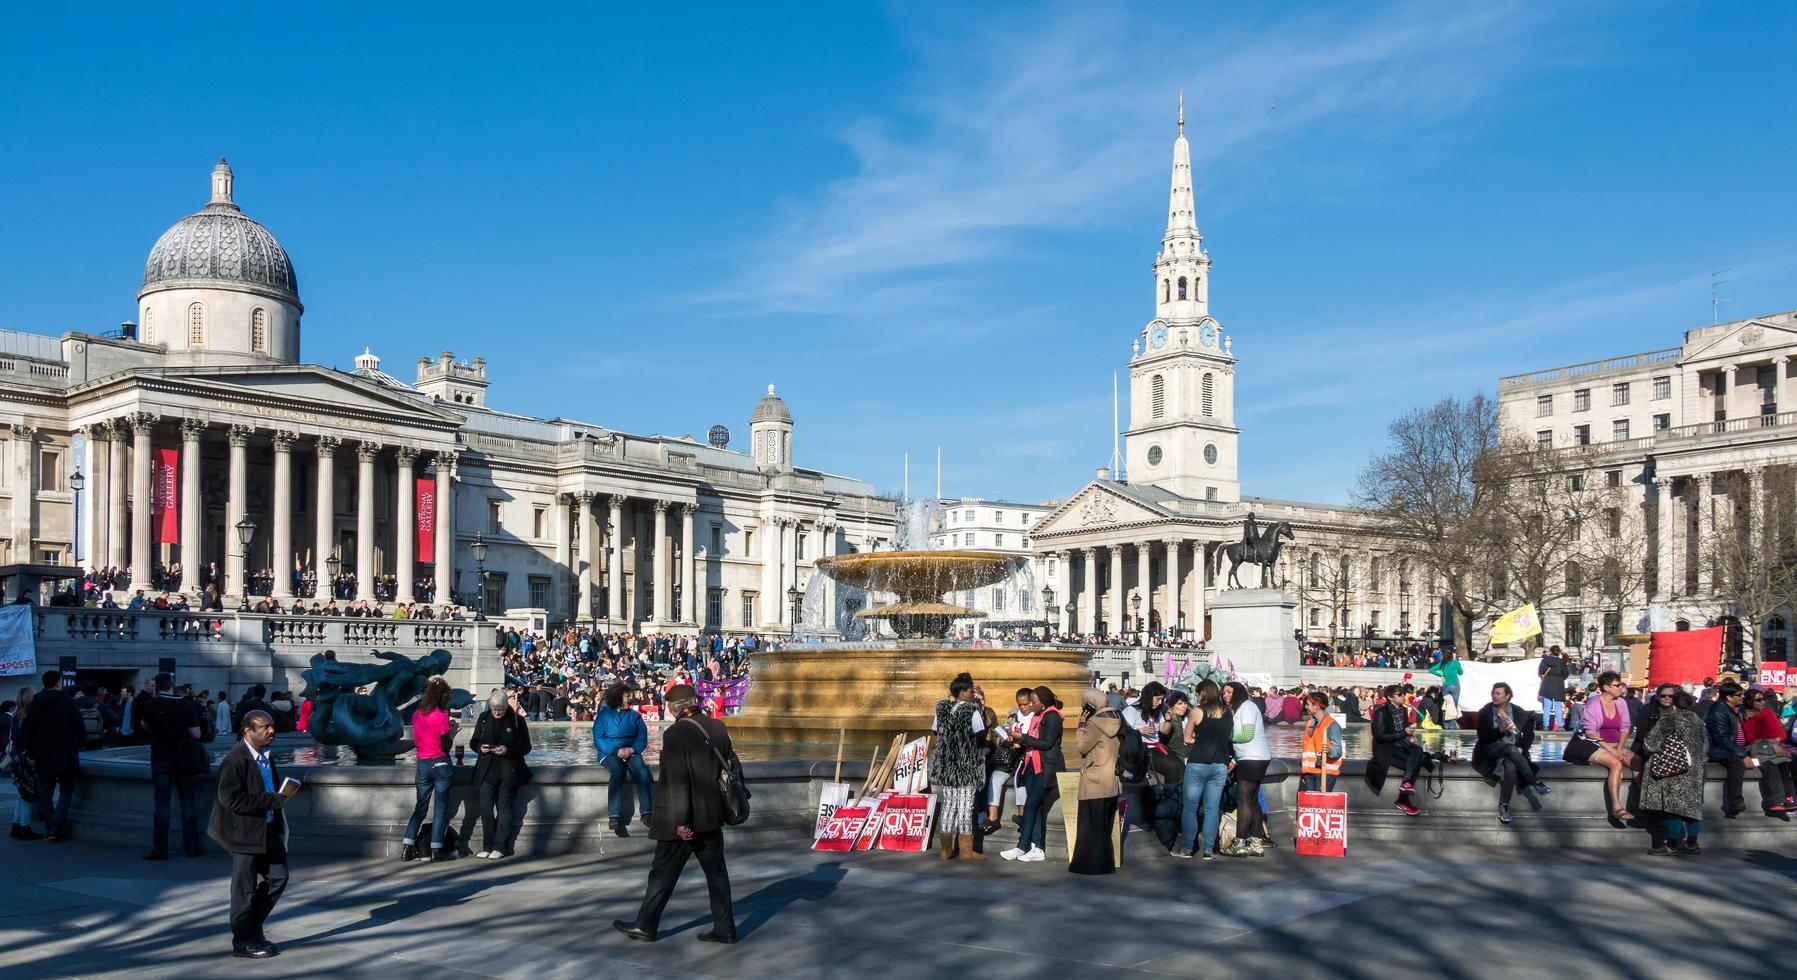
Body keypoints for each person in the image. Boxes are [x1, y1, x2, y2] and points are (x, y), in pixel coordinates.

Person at [613, 684, 736, 944]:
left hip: (682, 820)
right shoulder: (717, 727)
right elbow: (730, 766)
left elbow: (677, 782)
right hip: (711, 816)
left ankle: (645, 925)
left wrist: (681, 821)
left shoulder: (676, 734)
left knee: (662, 873)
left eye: (669, 705)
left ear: (675, 707)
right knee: (717, 875)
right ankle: (725, 928)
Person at [208, 709, 300, 958]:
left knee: (278, 877)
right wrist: (271, 800)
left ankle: (252, 927)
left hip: (267, 827)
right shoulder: (236, 759)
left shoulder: (265, 755)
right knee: (244, 889)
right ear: (248, 731)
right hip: (243, 832)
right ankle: (243, 941)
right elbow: (230, 798)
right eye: (264, 727)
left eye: (271, 726)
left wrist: (280, 798)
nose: (271, 731)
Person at [139, 672, 207, 859]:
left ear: (156, 687)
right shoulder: (186, 704)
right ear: (172, 684)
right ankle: (191, 845)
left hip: (160, 756)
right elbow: (197, 734)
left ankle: (160, 848)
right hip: (183, 757)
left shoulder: (151, 704)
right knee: (187, 801)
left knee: (161, 803)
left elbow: (144, 725)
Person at [1640, 690, 1709, 855]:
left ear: (1674, 704)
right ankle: (1692, 843)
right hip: (1696, 769)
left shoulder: (1669, 719)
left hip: (1674, 769)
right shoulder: (1699, 722)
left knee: (1674, 808)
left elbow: (1650, 744)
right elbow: (1706, 745)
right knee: (1693, 808)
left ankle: (1672, 844)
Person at [928, 673, 986, 861]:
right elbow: (980, 734)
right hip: (967, 766)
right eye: (971, 691)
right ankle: (966, 852)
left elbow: (935, 731)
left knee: (949, 806)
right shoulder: (972, 710)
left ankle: (945, 851)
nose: (973, 694)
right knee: (965, 807)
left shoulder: (943, 709)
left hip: (947, 765)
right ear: (962, 693)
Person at [1473, 682, 1548, 824]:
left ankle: (1504, 805)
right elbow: (1482, 736)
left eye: (1498, 693)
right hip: (1489, 750)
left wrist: (1523, 747)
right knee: (1509, 748)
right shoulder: (1485, 712)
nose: (1494, 696)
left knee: (1510, 765)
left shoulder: (1518, 712)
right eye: (1493, 693)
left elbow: (1529, 735)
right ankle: (1534, 782)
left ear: (1507, 696)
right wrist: (1499, 730)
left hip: (1513, 752)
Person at [1003, 686, 1063, 863]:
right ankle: (1037, 847)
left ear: (1043, 703)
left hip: (1045, 767)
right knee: (1035, 808)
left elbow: (1046, 743)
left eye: (1034, 702)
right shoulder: (1038, 716)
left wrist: (1022, 737)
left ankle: (1022, 846)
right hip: (1031, 765)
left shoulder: (1052, 717)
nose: (1031, 704)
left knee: (1030, 805)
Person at [401, 677, 458, 862]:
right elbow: (445, 746)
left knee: (420, 808)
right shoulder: (442, 715)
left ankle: (407, 846)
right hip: (440, 763)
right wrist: (452, 733)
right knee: (440, 807)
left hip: (422, 763)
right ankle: (436, 849)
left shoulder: (417, 715)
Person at [469, 690, 531, 858]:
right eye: (494, 709)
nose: (497, 712)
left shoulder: (518, 721)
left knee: (504, 808)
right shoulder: (483, 718)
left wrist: (508, 750)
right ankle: (487, 845)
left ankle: (500, 846)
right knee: (485, 808)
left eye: (501, 709)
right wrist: (480, 747)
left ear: (506, 706)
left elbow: (526, 746)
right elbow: (474, 741)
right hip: (487, 770)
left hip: (508, 770)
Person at [23, 670, 83, 842]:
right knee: (66, 790)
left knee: (45, 792)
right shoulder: (67, 701)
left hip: (42, 754)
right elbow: (79, 725)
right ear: (58, 682)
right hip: (65, 752)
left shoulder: (34, 703)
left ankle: (49, 826)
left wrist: (31, 750)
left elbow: (29, 729)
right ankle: (58, 824)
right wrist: (80, 742)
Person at [1174, 680, 1232, 860]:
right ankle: (1208, 850)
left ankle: (1187, 848)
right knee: (1212, 809)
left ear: (1202, 694)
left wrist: (1198, 740)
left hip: (1198, 763)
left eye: (1198, 694)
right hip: (1220, 765)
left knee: (1190, 807)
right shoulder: (1228, 712)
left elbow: (1187, 738)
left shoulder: (1197, 712)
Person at [1068, 688, 1120, 875]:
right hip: (1111, 780)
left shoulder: (1094, 723)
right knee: (1103, 828)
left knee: (1089, 827)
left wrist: (1081, 726)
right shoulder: (1116, 717)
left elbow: (1082, 747)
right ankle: (1106, 863)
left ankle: (1087, 865)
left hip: (1094, 780)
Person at [1575, 671, 1639, 821]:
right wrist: (1613, 751)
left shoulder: (1621, 702)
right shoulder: (1593, 703)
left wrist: (1620, 748)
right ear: (1606, 687)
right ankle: (1616, 807)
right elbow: (1590, 733)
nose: (1620, 688)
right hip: (1595, 745)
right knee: (1616, 763)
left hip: (1616, 745)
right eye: (1617, 685)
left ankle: (1647, 802)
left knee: (1638, 761)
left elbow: (1625, 727)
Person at [594, 684, 653, 836]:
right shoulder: (603, 715)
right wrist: (616, 750)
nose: (630, 698)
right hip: (609, 753)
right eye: (627, 696)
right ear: (617, 697)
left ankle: (647, 812)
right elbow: (598, 739)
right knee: (617, 773)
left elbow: (642, 737)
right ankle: (614, 815)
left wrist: (632, 749)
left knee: (642, 772)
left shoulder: (635, 716)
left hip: (631, 750)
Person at [1222, 681, 1272, 855]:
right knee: (1252, 800)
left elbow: (1247, 735)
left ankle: (1240, 843)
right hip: (1254, 757)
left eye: (1229, 692)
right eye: (1224, 693)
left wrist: (1225, 734)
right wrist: (1235, 760)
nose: (1225, 695)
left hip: (1252, 758)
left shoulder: (1247, 707)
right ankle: (1256, 843)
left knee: (1243, 800)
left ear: (1238, 692)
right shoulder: (1242, 708)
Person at [1367, 683, 1429, 817]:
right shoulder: (1381, 712)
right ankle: (1403, 799)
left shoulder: (1402, 710)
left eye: (1403, 693)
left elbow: (1404, 730)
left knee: (1418, 750)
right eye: (1399, 694)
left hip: (1402, 744)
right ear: (1390, 697)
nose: (1403, 696)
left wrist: (1410, 735)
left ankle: (1406, 785)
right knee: (1417, 760)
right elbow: (1379, 736)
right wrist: (1404, 733)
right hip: (1387, 748)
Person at [985, 688, 1034, 833]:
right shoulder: (1014, 714)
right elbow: (1006, 730)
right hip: (1009, 756)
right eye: (1020, 704)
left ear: (1032, 702)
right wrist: (1004, 740)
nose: (1022, 707)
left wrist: (1021, 742)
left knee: (1020, 780)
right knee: (995, 777)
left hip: (1025, 756)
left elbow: (1036, 738)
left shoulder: (1036, 717)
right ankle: (992, 818)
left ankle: (1022, 815)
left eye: (1025, 704)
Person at [1703, 681, 1753, 818]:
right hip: (1717, 749)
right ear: (1729, 697)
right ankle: (1735, 801)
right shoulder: (1718, 711)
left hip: (1737, 748)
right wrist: (1742, 755)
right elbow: (1722, 739)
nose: (1742, 697)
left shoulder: (1733, 708)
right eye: (1739, 695)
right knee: (1736, 763)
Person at [1741, 688, 1795, 815]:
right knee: (1769, 766)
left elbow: (1781, 734)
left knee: (1785, 764)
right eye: (1758, 700)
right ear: (1749, 702)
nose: (1762, 702)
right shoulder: (1745, 716)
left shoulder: (1768, 714)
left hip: (1774, 748)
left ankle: (1789, 798)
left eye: (1763, 699)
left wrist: (1774, 741)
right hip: (1757, 750)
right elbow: (1750, 738)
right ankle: (1777, 801)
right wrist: (1768, 741)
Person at [1123, 681, 1181, 785]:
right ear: (1148, 697)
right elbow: (1124, 732)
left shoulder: (1157, 711)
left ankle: (1176, 793)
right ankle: (1171, 793)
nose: (1160, 703)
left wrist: (1168, 720)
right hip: (1141, 750)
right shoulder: (1132, 710)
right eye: (1157, 699)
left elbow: (1164, 731)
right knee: (1172, 767)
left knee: (1179, 765)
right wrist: (1139, 731)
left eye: (1162, 699)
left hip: (1156, 747)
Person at [1299, 692, 1344, 793]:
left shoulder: (1332, 724)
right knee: (1310, 806)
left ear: (1316, 706)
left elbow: (1338, 750)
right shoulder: (1310, 724)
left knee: (1320, 806)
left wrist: (1329, 751)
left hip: (1325, 772)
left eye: (1308, 704)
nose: (1305, 707)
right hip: (1309, 773)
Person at [1537, 646, 1570, 731]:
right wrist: (1559, 678)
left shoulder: (1544, 660)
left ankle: (1545, 725)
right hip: (1558, 685)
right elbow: (1565, 674)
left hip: (1546, 684)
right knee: (1557, 706)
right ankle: (1559, 725)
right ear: (1558, 652)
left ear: (1550, 651)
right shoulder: (1561, 662)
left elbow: (1540, 672)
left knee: (1546, 707)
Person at [1427, 651, 1463, 719]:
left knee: (1446, 705)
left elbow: (1431, 670)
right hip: (1455, 685)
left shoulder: (1442, 663)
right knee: (1454, 705)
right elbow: (1461, 673)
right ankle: (1452, 723)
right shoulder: (1456, 663)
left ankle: (1446, 723)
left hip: (1446, 686)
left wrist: (1441, 675)